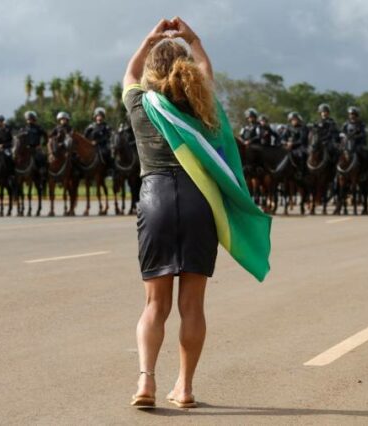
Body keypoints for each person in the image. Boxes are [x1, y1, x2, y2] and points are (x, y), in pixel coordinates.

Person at [121, 17, 221, 409]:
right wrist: (193, 37)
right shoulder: (200, 105)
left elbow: (129, 72)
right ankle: (185, 387)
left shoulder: (140, 104)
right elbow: (206, 71)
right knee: (192, 305)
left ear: (151, 70)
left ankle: (146, 382)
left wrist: (149, 39)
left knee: (154, 305)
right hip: (199, 203)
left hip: (155, 199)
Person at [277, 111, 308, 176]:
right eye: (292, 120)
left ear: (298, 119)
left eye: (295, 119)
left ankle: (301, 172)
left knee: (302, 155)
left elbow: (302, 140)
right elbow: (282, 138)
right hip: (288, 146)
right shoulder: (288, 128)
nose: (294, 121)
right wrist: (285, 143)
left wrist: (293, 144)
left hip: (300, 147)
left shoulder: (303, 128)